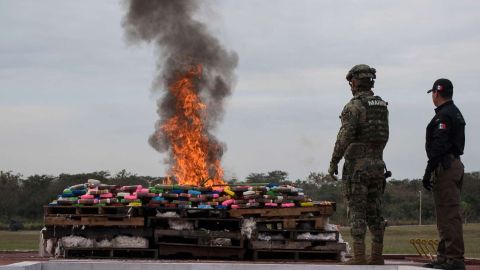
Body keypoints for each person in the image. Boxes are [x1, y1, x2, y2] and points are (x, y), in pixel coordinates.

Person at [328, 64, 389, 265]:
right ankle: (377, 256)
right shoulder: (380, 105)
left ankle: (360, 256)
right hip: (378, 165)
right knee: (375, 211)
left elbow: (345, 136)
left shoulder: (353, 107)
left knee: (357, 210)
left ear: (355, 82)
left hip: (358, 168)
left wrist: (334, 161)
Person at [422, 78, 466, 270]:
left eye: (432, 93)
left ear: (436, 93)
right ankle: (444, 257)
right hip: (450, 164)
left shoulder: (444, 115)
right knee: (444, 214)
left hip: (446, 166)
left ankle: (454, 260)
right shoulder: (452, 112)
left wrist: (428, 169)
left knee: (449, 214)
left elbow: (440, 144)